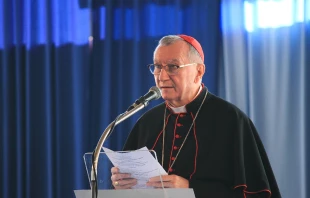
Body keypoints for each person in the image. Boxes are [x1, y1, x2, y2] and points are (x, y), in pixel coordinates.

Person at [110, 34, 281, 198]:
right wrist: (121, 185)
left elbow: (255, 194)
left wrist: (190, 189)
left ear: (199, 71)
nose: (161, 77)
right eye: (157, 67)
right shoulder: (147, 122)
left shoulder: (231, 120)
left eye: (172, 67)